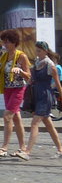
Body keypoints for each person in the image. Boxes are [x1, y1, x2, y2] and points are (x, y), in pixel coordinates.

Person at [24, 41, 62, 158]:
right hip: (37, 95)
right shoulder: (37, 62)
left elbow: (58, 84)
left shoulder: (50, 65)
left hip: (45, 96)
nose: (37, 53)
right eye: (36, 50)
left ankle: (27, 151)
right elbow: (31, 79)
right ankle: (61, 150)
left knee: (34, 123)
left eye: (39, 51)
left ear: (45, 51)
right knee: (48, 124)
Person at [0, 29, 30, 159]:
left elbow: (29, 76)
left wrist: (20, 71)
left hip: (18, 89)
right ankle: (22, 147)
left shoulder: (21, 56)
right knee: (16, 118)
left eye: (7, 42)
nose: (5, 44)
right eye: (4, 42)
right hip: (7, 89)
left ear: (14, 42)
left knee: (7, 116)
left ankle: (4, 147)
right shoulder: (4, 56)